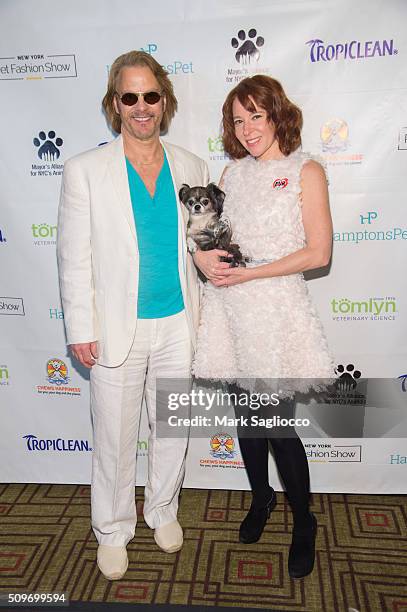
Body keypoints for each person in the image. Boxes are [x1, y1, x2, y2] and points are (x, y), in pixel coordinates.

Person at [57, 50, 209, 581]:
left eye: (151, 96)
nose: (141, 107)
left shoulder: (192, 166)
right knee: (115, 440)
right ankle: (114, 528)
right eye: (130, 97)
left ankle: (163, 510)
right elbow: (73, 258)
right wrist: (81, 328)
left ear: (164, 101)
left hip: (177, 325)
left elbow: (203, 246)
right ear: (115, 104)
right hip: (115, 330)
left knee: (173, 428)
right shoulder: (85, 170)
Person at [192, 75, 334, 579]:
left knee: (276, 426)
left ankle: (304, 521)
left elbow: (318, 253)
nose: (248, 128)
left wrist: (251, 273)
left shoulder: (306, 170)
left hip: (275, 312)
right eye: (238, 119)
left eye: (256, 115)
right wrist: (204, 259)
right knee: (247, 422)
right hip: (229, 311)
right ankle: (261, 499)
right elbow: (214, 238)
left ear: (277, 113)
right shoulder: (230, 176)